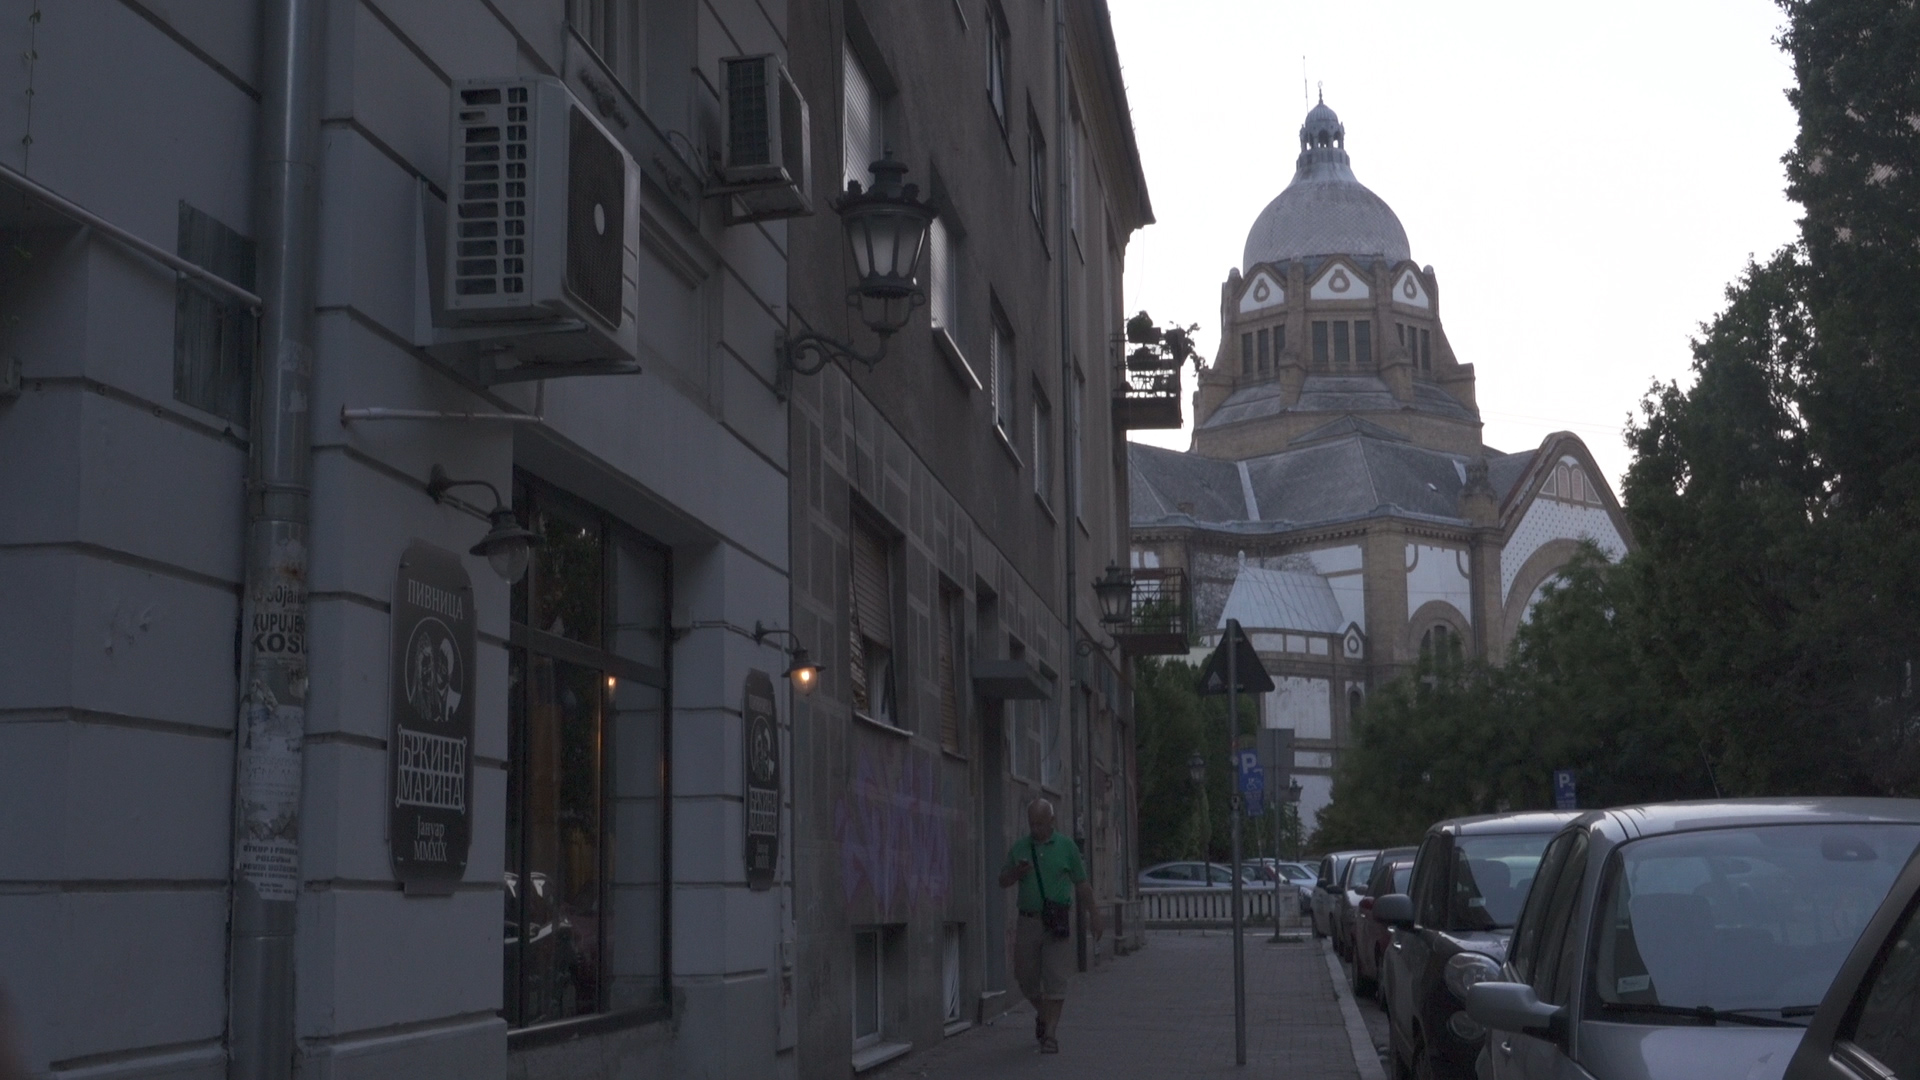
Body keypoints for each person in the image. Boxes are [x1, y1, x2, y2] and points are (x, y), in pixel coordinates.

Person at [998, 798, 1103, 1054]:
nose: (1036, 829)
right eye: (1032, 824)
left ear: (1051, 821)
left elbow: (1082, 884)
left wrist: (1094, 914)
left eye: (1040, 824)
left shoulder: (1066, 847)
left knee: (1055, 978)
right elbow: (1003, 880)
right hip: (1028, 920)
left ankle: (1051, 1035)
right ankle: (1043, 1014)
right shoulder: (1021, 847)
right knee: (1025, 977)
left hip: (1056, 921)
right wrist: (1016, 873)